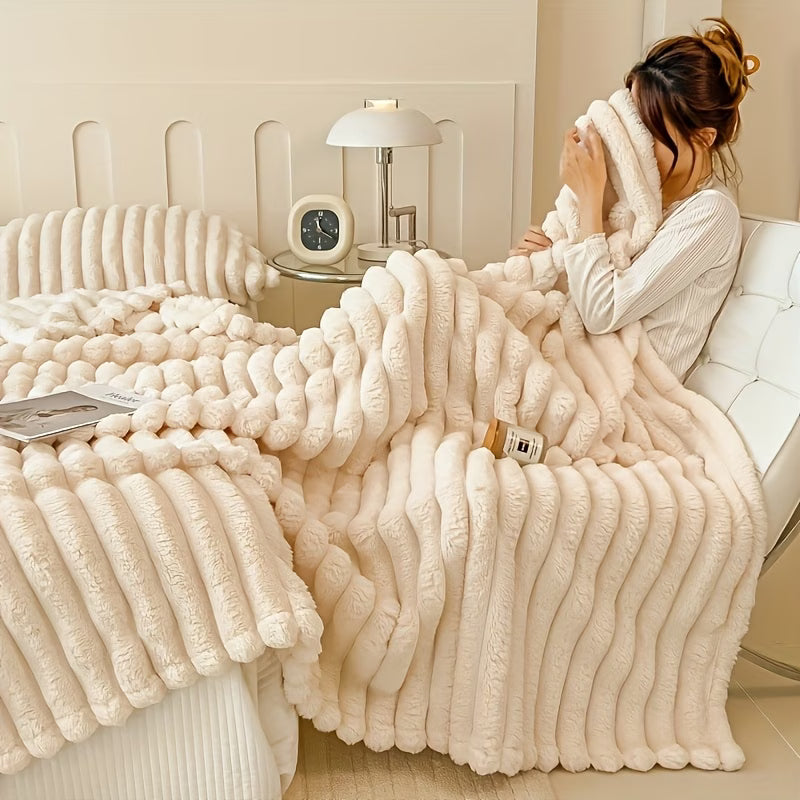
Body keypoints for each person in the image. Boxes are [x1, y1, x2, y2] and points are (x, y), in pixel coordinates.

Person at [511, 17, 759, 381]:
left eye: (654, 133)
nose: (638, 141)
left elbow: (602, 311)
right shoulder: (641, 198)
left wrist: (589, 199)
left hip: (625, 391)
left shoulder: (711, 214)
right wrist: (547, 259)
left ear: (704, 138)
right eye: (636, 122)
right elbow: (589, 288)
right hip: (578, 361)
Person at [0, 404, 99, 431]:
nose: (81, 410)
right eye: (83, 408)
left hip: (26, 424)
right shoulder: (55, 406)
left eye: (85, 410)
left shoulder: (65, 419)